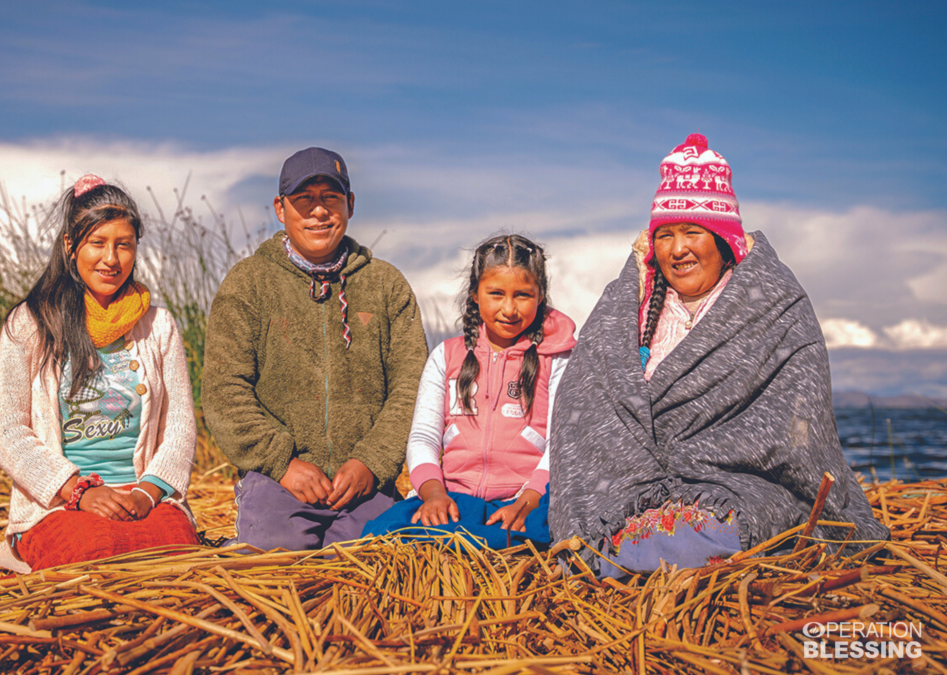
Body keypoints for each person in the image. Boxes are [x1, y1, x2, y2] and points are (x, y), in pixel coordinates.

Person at [549, 134, 889, 578]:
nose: (677, 249)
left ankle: (633, 555)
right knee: (608, 532)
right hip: (628, 489)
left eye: (693, 232)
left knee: (717, 531)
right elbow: (586, 405)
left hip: (738, 487)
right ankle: (625, 549)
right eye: (665, 235)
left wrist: (705, 460)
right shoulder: (625, 307)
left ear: (724, 239)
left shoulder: (773, 306)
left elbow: (799, 422)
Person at [203, 147, 427, 551]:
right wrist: (282, 464)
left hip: (364, 486)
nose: (319, 211)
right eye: (304, 199)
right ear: (280, 208)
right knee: (272, 565)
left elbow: (411, 388)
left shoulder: (387, 285)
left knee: (369, 568)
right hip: (277, 481)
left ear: (350, 205)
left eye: (331, 198)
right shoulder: (248, 283)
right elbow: (225, 389)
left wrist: (370, 463)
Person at [0, 174, 199, 574]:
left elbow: (180, 427)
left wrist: (147, 493)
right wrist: (77, 491)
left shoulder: (159, 326)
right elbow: (8, 431)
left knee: (178, 553)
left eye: (124, 245)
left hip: (142, 499)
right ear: (70, 246)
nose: (111, 259)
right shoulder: (31, 323)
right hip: (58, 504)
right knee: (91, 554)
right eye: (97, 243)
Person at [364, 234, 576, 548]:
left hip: (525, 502)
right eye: (495, 293)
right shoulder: (446, 357)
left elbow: (562, 441)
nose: (509, 308)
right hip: (452, 498)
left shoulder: (557, 360)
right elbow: (424, 436)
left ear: (540, 295)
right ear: (475, 294)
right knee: (384, 534)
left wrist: (529, 500)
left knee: (524, 543)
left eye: (522, 295)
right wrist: (434, 493)